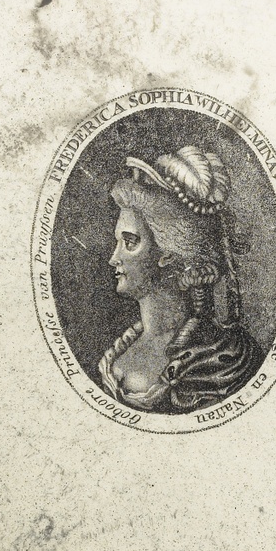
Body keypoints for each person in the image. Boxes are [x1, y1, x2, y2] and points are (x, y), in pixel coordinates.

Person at [99, 146, 264, 414]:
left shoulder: (225, 358)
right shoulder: (120, 350)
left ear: (168, 254)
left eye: (129, 242)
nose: (114, 259)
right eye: (118, 242)